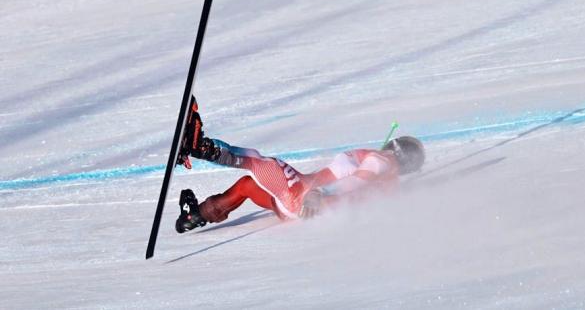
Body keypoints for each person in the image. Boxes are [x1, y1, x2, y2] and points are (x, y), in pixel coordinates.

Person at [174, 98, 425, 233]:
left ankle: (199, 146)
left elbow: (357, 181)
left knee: (260, 162)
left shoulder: (383, 161)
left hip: (306, 201)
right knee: (249, 185)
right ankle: (196, 216)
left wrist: (320, 194)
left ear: (398, 150)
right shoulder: (387, 178)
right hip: (301, 203)